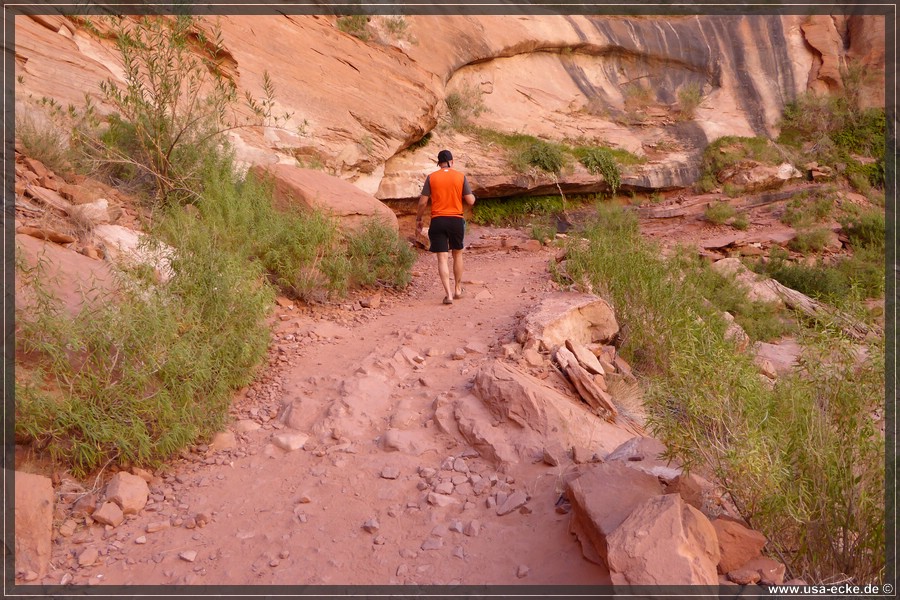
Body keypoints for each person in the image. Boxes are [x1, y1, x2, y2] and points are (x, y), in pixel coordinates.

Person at [416, 149, 476, 305]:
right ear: (452, 161)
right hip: (456, 220)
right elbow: (470, 201)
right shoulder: (460, 177)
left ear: (439, 163)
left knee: (442, 258)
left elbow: (423, 202)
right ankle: (457, 289)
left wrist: (419, 219)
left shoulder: (432, 178)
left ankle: (448, 295)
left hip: (438, 220)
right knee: (457, 254)